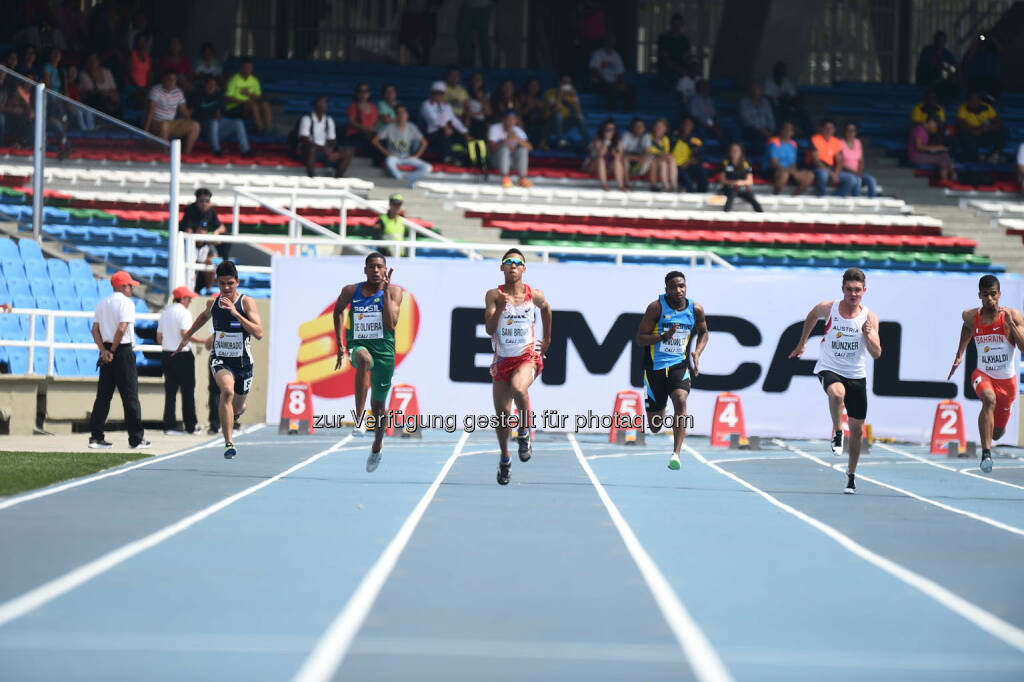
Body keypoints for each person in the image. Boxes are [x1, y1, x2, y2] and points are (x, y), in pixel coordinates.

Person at [788, 268, 882, 494]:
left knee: (858, 432)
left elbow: (877, 353)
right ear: (842, 289)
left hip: (856, 375)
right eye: (849, 289)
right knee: (837, 394)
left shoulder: (869, 317)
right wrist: (802, 343)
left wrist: (868, 335)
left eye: (857, 290)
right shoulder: (829, 308)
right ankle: (838, 431)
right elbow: (811, 316)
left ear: (864, 291)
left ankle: (851, 475)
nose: (853, 294)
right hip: (829, 367)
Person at [175, 260, 263, 459]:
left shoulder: (246, 302)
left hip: (243, 363)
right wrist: (187, 336)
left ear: (237, 282)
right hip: (220, 359)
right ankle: (228, 443)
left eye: (230, 283)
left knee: (238, 405)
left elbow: (259, 333)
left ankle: (237, 411)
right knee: (227, 391)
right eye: (222, 283)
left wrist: (234, 313)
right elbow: (203, 317)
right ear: (217, 283)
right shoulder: (213, 303)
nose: (226, 288)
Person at [484, 249, 552, 485]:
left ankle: (524, 432)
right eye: (508, 262)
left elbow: (546, 309)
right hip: (502, 360)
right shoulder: (494, 295)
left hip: (527, 357)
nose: (513, 266)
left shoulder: (535, 295)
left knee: (519, 388)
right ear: (502, 268)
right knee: (502, 417)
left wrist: (548, 338)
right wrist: (501, 308)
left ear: (524, 269)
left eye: (517, 263)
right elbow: (490, 329)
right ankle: (505, 459)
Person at [332, 252, 403, 472]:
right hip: (359, 346)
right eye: (371, 267)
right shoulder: (351, 291)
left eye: (379, 267)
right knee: (363, 359)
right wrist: (340, 345)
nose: (375, 270)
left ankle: (377, 445)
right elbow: (337, 311)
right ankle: (360, 417)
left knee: (380, 407)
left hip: (385, 353)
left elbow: (391, 324)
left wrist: (383, 294)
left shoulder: (394, 292)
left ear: (385, 270)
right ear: (365, 270)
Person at [948, 275, 1024, 473]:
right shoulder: (971, 316)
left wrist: (1012, 325)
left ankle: (994, 436)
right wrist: (959, 355)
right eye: (985, 295)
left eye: (993, 294)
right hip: (983, 374)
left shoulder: (1012, 315)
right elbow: (966, 328)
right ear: (979, 295)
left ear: (999, 294)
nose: (990, 299)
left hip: (1007, 383)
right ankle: (986, 454)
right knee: (988, 399)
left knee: (998, 433)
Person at [635, 270, 707, 470]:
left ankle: (676, 453)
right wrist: (662, 337)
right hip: (655, 368)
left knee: (681, 401)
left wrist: (697, 352)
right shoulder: (656, 308)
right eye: (674, 287)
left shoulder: (695, 309)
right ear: (666, 289)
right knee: (655, 426)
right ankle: (660, 407)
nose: (679, 290)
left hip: (679, 365)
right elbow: (640, 338)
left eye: (682, 286)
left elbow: (703, 332)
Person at [88, 270, 150, 450]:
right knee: (130, 397)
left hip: (107, 350)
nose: (131, 289)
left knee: (103, 397)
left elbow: (94, 330)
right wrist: (113, 351)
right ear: (123, 286)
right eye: (130, 285)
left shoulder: (102, 303)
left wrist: (104, 351)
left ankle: (96, 437)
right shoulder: (127, 303)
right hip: (121, 351)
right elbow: (122, 328)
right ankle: (136, 439)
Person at [158, 285, 201, 434]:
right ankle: (190, 426)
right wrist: (203, 341)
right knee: (188, 392)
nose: (189, 301)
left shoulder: (164, 313)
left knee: (170, 393)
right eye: (188, 298)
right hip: (183, 355)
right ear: (182, 298)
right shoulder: (184, 313)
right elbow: (185, 333)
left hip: (167, 354)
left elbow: (159, 338)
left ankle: (169, 426)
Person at [190, 76, 251, 157]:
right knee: (214, 122)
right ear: (205, 85)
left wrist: (218, 118)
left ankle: (245, 150)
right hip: (202, 128)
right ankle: (216, 149)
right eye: (210, 84)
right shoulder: (197, 95)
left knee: (238, 122)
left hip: (215, 128)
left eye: (214, 85)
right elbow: (192, 114)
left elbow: (219, 112)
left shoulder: (217, 95)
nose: (212, 87)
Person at [374, 104, 431, 187]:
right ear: (396, 115)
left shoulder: (411, 127)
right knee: (389, 161)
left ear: (407, 115)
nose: (402, 115)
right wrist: (387, 153)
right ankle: (404, 180)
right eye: (399, 113)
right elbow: (375, 141)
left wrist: (416, 156)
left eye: (403, 112)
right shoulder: (389, 127)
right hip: (394, 157)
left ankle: (405, 180)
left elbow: (424, 142)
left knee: (427, 167)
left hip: (407, 157)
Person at [296, 96, 353, 178]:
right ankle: (312, 178)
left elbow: (332, 139)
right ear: (314, 105)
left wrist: (331, 150)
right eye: (320, 103)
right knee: (312, 149)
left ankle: (337, 179)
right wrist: (324, 149)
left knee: (347, 152)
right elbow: (304, 139)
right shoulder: (307, 118)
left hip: (324, 152)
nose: (323, 105)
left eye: (325, 103)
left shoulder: (329, 120)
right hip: (307, 152)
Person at [143, 71, 199, 154]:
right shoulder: (156, 90)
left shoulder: (178, 91)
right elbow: (150, 112)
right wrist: (146, 131)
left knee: (195, 125)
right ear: (163, 80)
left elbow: (185, 114)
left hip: (171, 122)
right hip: (156, 122)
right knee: (165, 125)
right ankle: (165, 153)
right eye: (169, 79)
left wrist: (194, 105)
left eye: (174, 80)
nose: (172, 82)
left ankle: (187, 153)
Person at [419, 81, 470, 163]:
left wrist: (465, 132)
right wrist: (445, 127)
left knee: (461, 137)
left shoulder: (446, 106)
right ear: (431, 94)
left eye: (441, 94)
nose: (438, 96)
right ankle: (447, 158)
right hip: (430, 134)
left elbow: (454, 120)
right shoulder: (426, 104)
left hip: (446, 131)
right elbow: (433, 119)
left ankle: (462, 159)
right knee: (443, 134)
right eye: (436, 94)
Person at [956, 91, 1010, 163]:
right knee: (963, 133)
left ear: (980, 101)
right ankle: (978, 156)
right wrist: (976, 129)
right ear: (968, 101)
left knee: (1004, 130)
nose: (974, 102)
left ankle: (995, 155)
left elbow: (999, 123)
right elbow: (960, 124)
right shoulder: (963, 108)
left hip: (985, 135)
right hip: (972, 137)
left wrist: (989, 128)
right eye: (971, 100)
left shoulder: (987, 107)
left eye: (976, 100)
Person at [810, 119, 858, 196]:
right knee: (823, 175)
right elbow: (816, 161)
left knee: (852, 180)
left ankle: (836, 199)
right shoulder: (815, 139)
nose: (829, 130)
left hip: (831, 169)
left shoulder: (836, 141)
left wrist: (835, 174)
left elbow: (839, 162)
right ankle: (822, 198)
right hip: (818, 168)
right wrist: (832, 174)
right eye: (826, 128)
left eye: (831, 128)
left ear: (834, 130)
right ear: (822, 129)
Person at [589, 33, 634, 111]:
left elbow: (620, 73)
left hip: (614, 84)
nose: (611, 42)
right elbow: (594, 72)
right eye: (609, 40)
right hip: (599, 84)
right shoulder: (597, 54)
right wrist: (607, 83)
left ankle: (629, 113)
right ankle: (612, 113)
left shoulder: (617, 56)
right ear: (605, 41)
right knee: (611, 89)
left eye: (613, 40)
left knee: (631, 90)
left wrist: (621, 83)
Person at [224, 57, 272, 133]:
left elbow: (258, 96)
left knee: (265, 104)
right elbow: (227, 97)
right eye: (245, 67)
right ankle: (261, 130)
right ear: (241, 68)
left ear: (252, 68)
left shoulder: (254, 80)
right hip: (234, 108)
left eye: (249, 67)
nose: (247, 69)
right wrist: (243, 101)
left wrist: (249, 94)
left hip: (249, 107)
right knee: (253, 105)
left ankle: (269, 128)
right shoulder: (234, 79)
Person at [488, 110, 533, 188]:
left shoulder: (518, 130)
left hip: (511, 162)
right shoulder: (495, 128)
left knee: (523, 149)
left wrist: (517, 139)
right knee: (504, 149)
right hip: (496, 161)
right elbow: (492, 149)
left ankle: (522, 179)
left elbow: (530, 148)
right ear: (503, 120)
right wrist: (506, 141)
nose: (510, 122)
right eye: (508, 119)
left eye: (513, 120)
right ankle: (505, 178)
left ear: (516, 121)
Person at [767, 121, 814, 195]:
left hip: (789, 171)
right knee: (784, 175)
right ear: (781, 131)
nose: (787, 132)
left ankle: (794, 197)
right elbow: (774, 163)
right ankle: (775, 196)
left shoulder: (793, 144)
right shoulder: (774, 142)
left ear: (793, 132)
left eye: (790, 130)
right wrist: (791, 172)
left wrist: (795, 172)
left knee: (810, 175)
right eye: (785, 129)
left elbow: (792, 163)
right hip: (772, 170)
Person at [908, 115, 957, 183]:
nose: (935, 127)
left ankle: (952, 176)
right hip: (916, 157)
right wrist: (936, 148)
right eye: (935, 124)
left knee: (944, 154)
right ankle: (946, 180)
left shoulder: (926, 131)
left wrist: (938, 148)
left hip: (922, 155)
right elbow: (918, 147)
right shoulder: (919, 129)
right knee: (941, 159)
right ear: (930, 122)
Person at [543, 73, 586, 149]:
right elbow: (555, 109)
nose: (566, 85)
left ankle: (588, 143)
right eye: (564, 82)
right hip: (551, 122)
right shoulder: (550, 93)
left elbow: (578, 111)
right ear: (559, 82)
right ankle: (560, 140)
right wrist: (560, 95)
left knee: (580, 117)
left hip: (564, 123)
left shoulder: (569, 95)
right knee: (558, 114)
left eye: (568, 83)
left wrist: (574, 96)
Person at [584, 119, 626, 191]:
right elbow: (600, 154)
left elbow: (620, 156)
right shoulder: (597, 139)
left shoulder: (618, 140)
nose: (610, 131)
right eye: (608, 129)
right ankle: (604, 185)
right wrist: (607, 141)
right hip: (593, 166)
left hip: (607, 168)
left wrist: (615, 153)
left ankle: (621, 186)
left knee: (617, 160)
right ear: (603, 129)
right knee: (601, 159)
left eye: (612, 129)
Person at [720, 142, 763, 212]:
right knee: (730, 196)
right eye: (733, 150)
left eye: (737, 150)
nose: (735, 152)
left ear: (741, 152)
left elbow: (750, 181)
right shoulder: (725, 163)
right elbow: (722, 180)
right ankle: (726, 216)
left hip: (742, 188)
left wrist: (739, 183)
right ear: (730, 152)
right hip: (729, 188)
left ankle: (761, 215)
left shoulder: (745, 164)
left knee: (753, 199)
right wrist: (733, 183)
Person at [915, 31, 958, 99]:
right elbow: (926, 66)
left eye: (942, 41)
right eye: (939, 40)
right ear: (935, 41)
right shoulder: (928, 51)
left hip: (943, 81)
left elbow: (954, 67)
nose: (940, 43)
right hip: (927, 78)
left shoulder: (947, 54)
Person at [840, 122, 877, 198]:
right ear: (844, 131)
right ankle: (856, 200)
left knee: (871, 180)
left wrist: (859, 171)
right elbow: (840, 162)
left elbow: (861, 160)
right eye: (848, 130)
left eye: (853, 130)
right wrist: (855, 173)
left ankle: (872, 200)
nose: (851, 133)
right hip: (845, 171)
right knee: (857, 180)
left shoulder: (858, 142)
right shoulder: (840, 143)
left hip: (857, 172)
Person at [672, 116, 708, 193]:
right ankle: (691, 192)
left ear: (693, 126)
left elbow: (699, 157)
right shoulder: (674, 138)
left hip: (688, 165)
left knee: (701, 171)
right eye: (685, 124)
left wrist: (688, 162)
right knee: (681, 171)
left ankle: (702, 192)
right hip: (674, 166)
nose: (687, 126)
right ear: (681, 125)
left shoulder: (695, 140)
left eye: (689, 124)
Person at [657, 13, 691, 91]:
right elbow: (664, 58)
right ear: (671, 24)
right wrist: (677, 68)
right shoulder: (663, 39)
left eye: (678, 25)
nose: (676, 27)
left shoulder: (685, 41)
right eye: (674, 24)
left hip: (681, 72)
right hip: (666, 72)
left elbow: (686, 57)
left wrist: (685, 68)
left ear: (682, 25)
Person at [738, 82, 775, 153]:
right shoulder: (744, 102)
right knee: (757, 136)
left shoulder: (765, 102)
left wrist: (771, 130)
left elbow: (770, 118)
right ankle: (756, 158)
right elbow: (746, 120)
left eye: (758, 89)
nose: (756, 91)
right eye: (754, 89)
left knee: (780, 134)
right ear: (750, 91)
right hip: (750, 129)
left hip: (766, 130)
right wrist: (763, 131)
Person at [344, 82, 379, 154]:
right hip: (356, 134)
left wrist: (374, 129)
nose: (363, 93)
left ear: (369, 93)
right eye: (361, 91)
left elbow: (376, 122)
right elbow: (350, 122)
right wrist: (365, 128)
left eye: (366, 91)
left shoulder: (373, 107)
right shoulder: (353, 106)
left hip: (370, 134)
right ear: (357, 93)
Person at [620, 118, 652, 185]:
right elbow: (621, 152)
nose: (639, 128)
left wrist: (639, 158)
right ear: (632, 127)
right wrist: (636, 158)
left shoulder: (646, 136)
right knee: (624, 159)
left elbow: (646, 153)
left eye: (641, 126)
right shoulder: (627, 135)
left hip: (640, 164)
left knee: (652, 161)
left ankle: (653, 185)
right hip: (629, 161)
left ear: (644, 128)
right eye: (637, 126)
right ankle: (627, 184)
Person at [647, 118, 677, 192]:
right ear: (653, 128)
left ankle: (673, 186)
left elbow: (665, 153)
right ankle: (666, 187)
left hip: (660, 163)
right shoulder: (648, 137)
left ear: (665, 130)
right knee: (663, 162)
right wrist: (660, 155)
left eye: (661, 127)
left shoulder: (665, 139)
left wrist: (667, 156)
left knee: (670, 161)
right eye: (657, 127)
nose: (659, 129)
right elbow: (647, 152)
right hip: (650, 164)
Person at [464, 72, 491, 139]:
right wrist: (480, 113)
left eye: (479, 80)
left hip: (482, 121)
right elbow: (467, 112)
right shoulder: (466, 93)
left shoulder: (485, 95)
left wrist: (481, 99)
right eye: (475, 79)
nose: (477, 81)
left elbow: (488, 112)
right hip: (471, 120)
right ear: (472, 81)